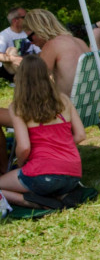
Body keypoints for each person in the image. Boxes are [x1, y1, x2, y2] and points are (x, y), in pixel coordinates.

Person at [0, 55, 85, 208]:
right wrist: (60, 146)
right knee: (51, 183)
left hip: (41, 173)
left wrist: (20, 164)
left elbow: (24, 147)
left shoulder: (18, 107)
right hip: (73, 173)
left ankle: (33, 202)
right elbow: (80, 135)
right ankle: (64, 194)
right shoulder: (64, 100)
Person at [23, 9, 90, 97]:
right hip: (89, 101)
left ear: (39, 29)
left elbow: (36, 82)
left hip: (67, 106)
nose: (31, 42)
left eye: (30, 38)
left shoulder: (51, 45)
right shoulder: (79, 41)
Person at [0, 7, 40, 83]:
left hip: (31, 64)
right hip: (13, 68)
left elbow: (39, 51)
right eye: (25, 17)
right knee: (11, 50)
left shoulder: (29, 32)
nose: (28, 19)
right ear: (15, 20)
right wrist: (13, 58)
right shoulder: (4, 35)